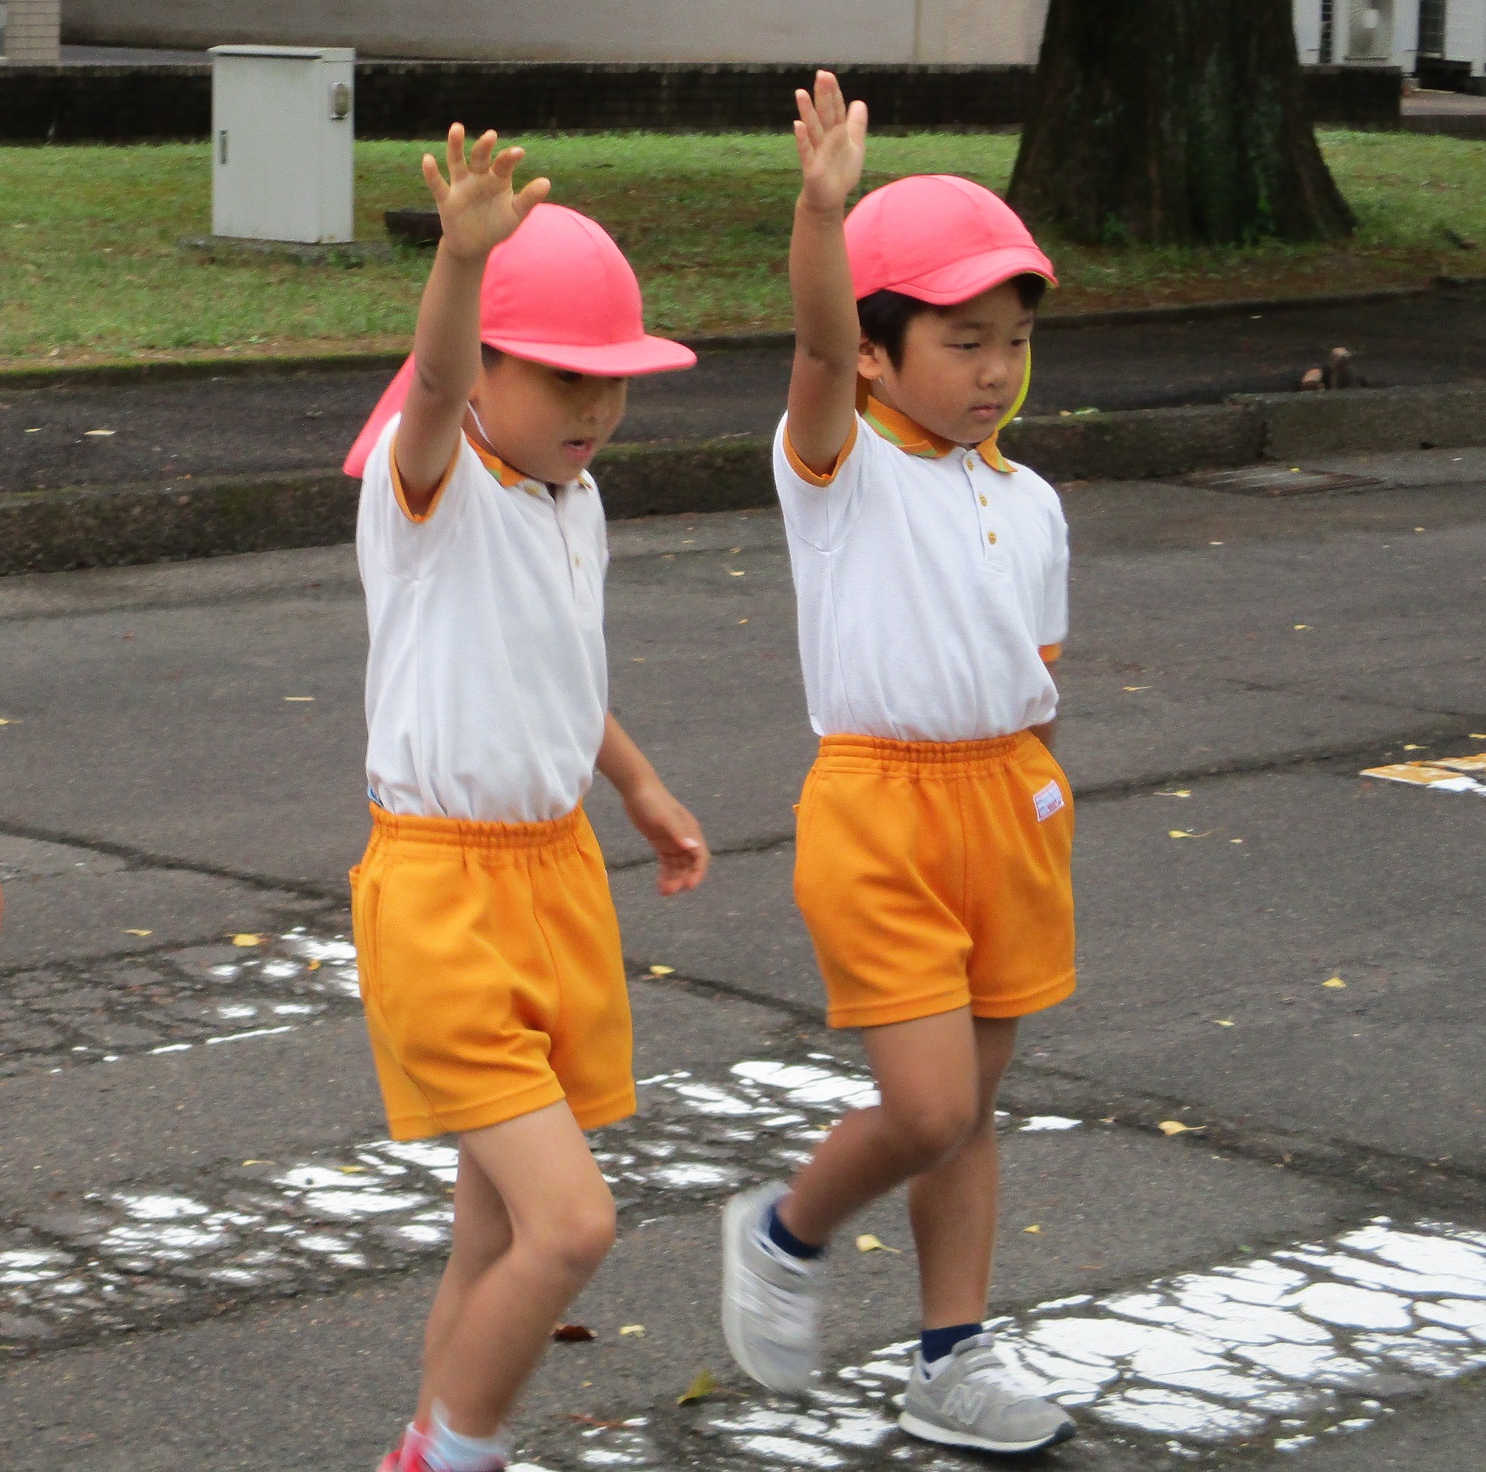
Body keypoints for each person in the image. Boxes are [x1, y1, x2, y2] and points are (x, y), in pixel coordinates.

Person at [344, 129, 711, 1472]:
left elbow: (556, 671)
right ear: (485, 368)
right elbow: (437, 380)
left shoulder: (573, 499)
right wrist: (459, 261)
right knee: (570, 1225)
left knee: (495, 1232)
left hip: (554, 876)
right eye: (563, 375)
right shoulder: (428, 490)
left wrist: (638, 783)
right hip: (441, 895)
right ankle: (449, 1454)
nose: (593, 408)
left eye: (611, 382)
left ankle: (431, 1447)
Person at [721, 73, 1076, 1455]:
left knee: (968, 1113)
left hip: (1009, 804)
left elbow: (1035, 672)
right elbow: (814, 349)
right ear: (877, 356)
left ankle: (951, 1355)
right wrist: (822, 216)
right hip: (880, 810)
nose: (994, 369)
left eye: (1014, 341)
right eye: (962, 339)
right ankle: (785, 1229)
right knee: (926, 1110)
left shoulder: (1029, 500)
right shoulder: (840, 473)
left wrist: (1038, 797)